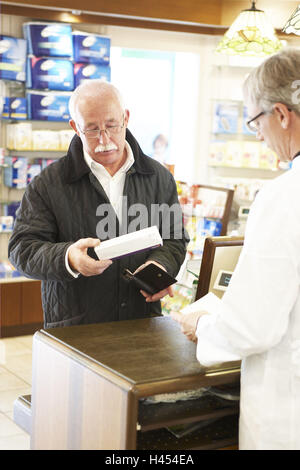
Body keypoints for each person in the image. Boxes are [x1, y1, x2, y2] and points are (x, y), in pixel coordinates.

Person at [171, 48, 300, 450]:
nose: (255, 134)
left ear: (281, 114)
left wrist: (204, 325)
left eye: (255, 120)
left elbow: (253, 329)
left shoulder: (285, 198)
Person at [8, 80, 188, 328]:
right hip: (76, 331)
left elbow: (174, 238)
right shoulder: (48, 184)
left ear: (125, 117)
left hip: (141, 324)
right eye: (92, 130)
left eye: (112, 126)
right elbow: (22, 250)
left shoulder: (159, 177)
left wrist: (159, 267)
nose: (105, 140)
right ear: (75, 127)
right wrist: (68, 257)